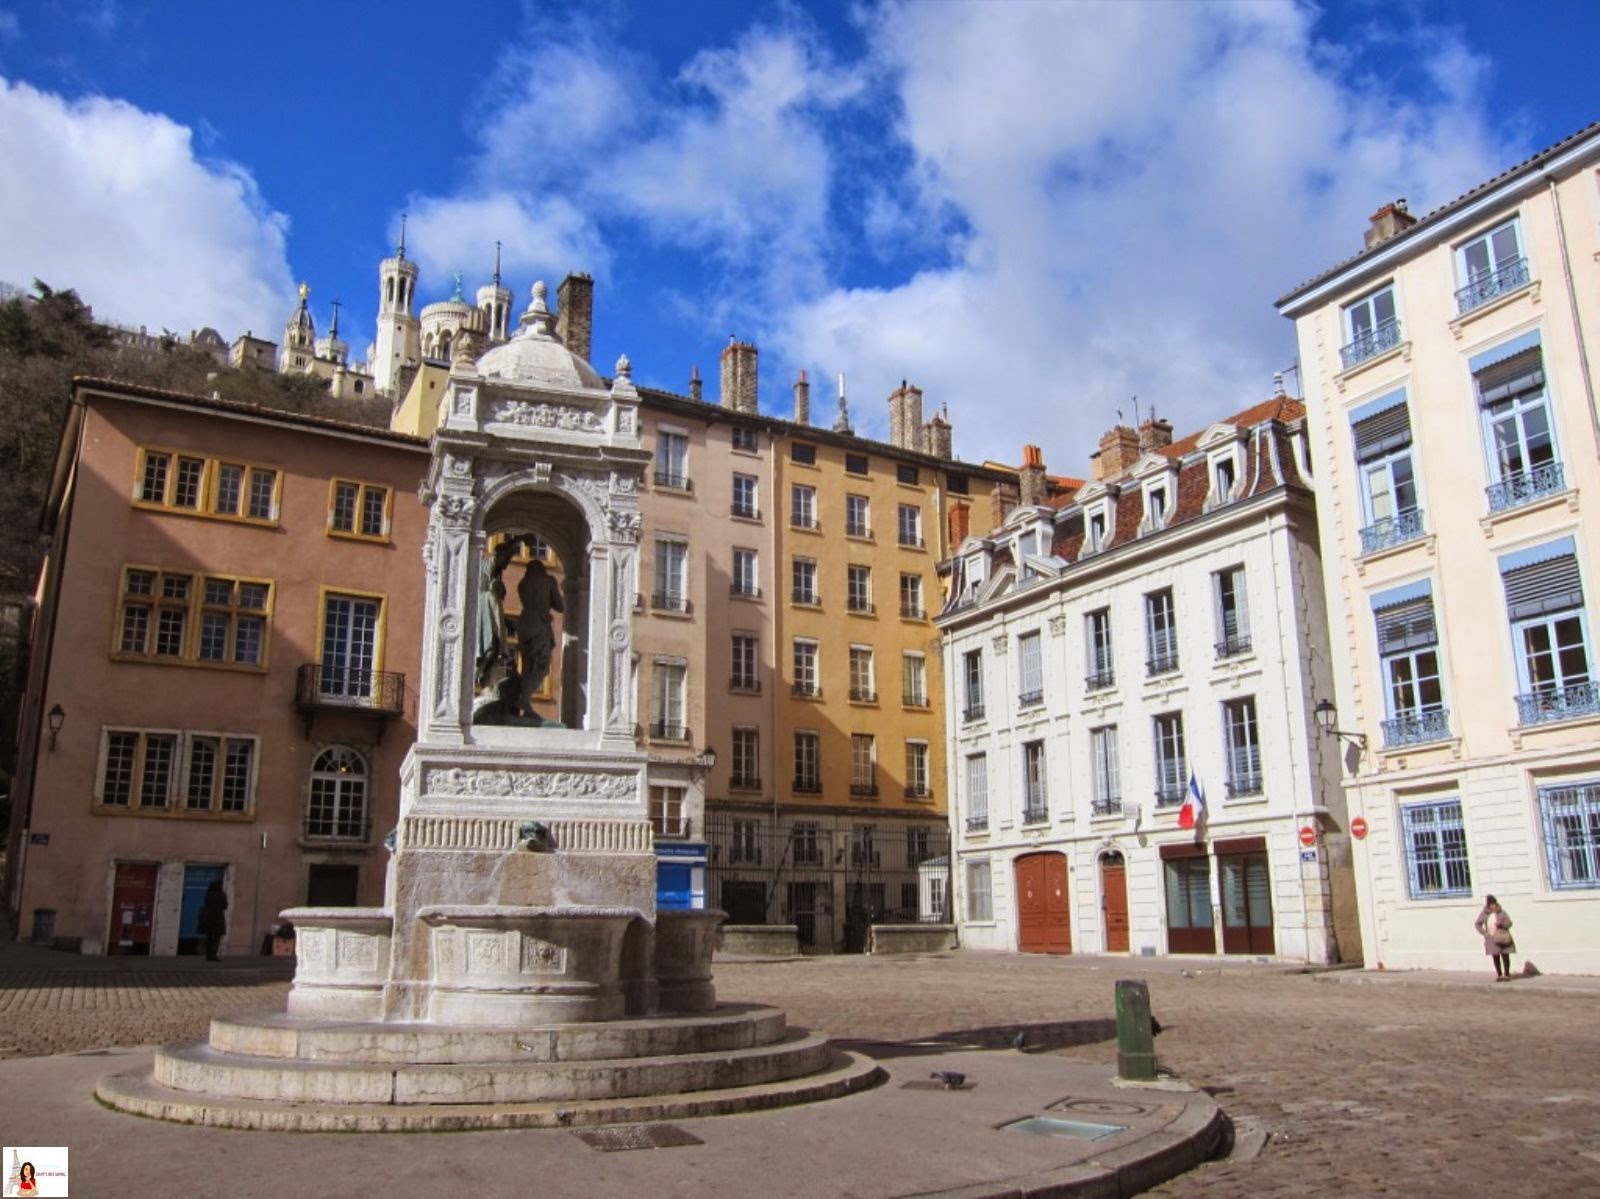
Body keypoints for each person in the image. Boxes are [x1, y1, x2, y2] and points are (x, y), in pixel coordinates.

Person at [513, 555, 564, 712]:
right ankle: (523, 698)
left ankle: (522, 698)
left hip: (524, 624)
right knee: (541, 666)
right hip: (540, 625)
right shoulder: (548, 581)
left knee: (527, 665)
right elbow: (560, 606)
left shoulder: (522, 584)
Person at [1474, 894, 1516, 981]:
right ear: (1488, 905)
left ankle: (1507, 974)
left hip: (1503, 937)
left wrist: (1502, 925)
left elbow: (1509, 923)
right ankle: (1499, 975)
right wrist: (1484, 933)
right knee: (1495, 956)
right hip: (1491, 938)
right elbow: (1477, 924)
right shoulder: (1484, 914)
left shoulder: (1502, 912)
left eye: (1494, 904)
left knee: (1505, 955)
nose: (1493, 906)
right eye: (1491, 904)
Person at [200, 879, 228, 962]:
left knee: (209, 936)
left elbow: (206, 903)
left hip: (208, 917)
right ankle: (213, 955)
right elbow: (225, 906)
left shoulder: (208, 894)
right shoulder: (221, 894)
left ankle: (208, 955)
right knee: (217, 937)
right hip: (218, 917)